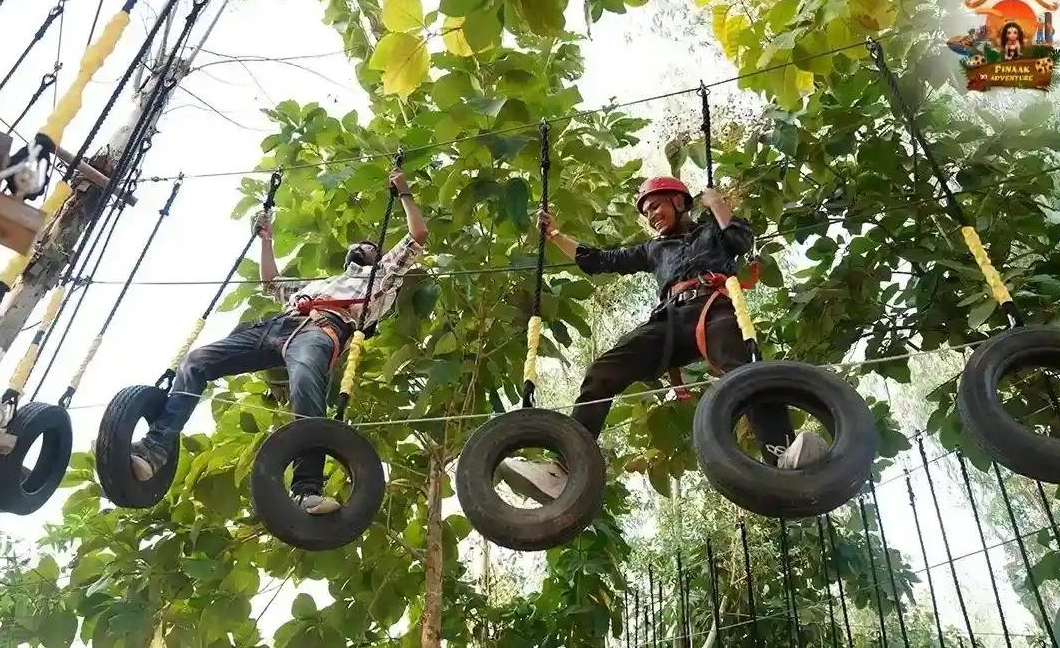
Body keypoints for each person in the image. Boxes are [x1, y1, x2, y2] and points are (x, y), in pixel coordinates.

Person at [498, 176, 828, 502]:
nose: (652, 215)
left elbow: (740, 241)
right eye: (647, 212)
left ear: (679, 202)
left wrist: (717, 204)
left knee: (744, 370)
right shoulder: (654, 249)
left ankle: (782, 453)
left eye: (657, 206)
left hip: (712, 307)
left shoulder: (712, 231)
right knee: (603, 372)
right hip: (669, 319)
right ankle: (564, 470)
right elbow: (601, 260)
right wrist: (555, 235)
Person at [130, 169, 428, 515]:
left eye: (369, 246)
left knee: (306, 388)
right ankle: (155, 448)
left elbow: (417, 234)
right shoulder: (320, 283)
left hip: (322, 331)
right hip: (280, 324)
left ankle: (306, 489)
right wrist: (266, 240)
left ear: (378, 256)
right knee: (197, 360)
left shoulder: (384, 275)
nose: (361, 247)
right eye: (356, 246)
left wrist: (403, 191)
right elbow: (271, 282)